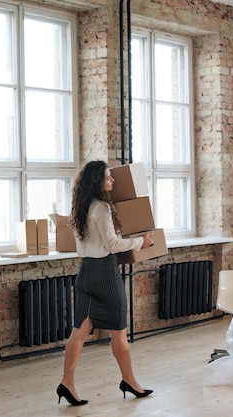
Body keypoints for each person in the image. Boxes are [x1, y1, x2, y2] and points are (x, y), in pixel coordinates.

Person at [56, 160, 154, 406]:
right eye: (109, 177)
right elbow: (113, 245)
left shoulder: (81, 207)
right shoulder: (102, 208)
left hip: (86, 272)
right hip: (105, 274)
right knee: (119, 330)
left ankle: (66, 383)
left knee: (79, 331)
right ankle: (129, 380)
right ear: (97, 181)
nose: (113, 181)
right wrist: (140, 242)